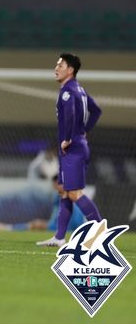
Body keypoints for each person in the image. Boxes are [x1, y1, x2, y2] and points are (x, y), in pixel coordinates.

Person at [37, 53, 102, 247]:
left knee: (74, 193)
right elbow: (96, 110)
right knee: (65, 193)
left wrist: (67, 138)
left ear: (70, 70)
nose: (56, 68)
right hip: (77, 145)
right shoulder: (80, 89)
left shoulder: (67, 91)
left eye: (60, 65)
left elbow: (71, 114)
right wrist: (84, 131)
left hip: (72, 147)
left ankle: (100, 233)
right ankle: (59, 237)